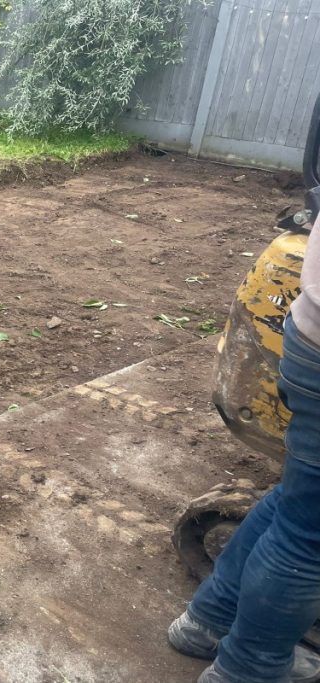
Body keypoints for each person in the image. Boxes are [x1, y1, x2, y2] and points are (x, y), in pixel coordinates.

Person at [168, 223, 320, 683]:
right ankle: (249, 668)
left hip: (309, 334)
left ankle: (208, 621)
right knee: (310, 537)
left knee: (298, 503)